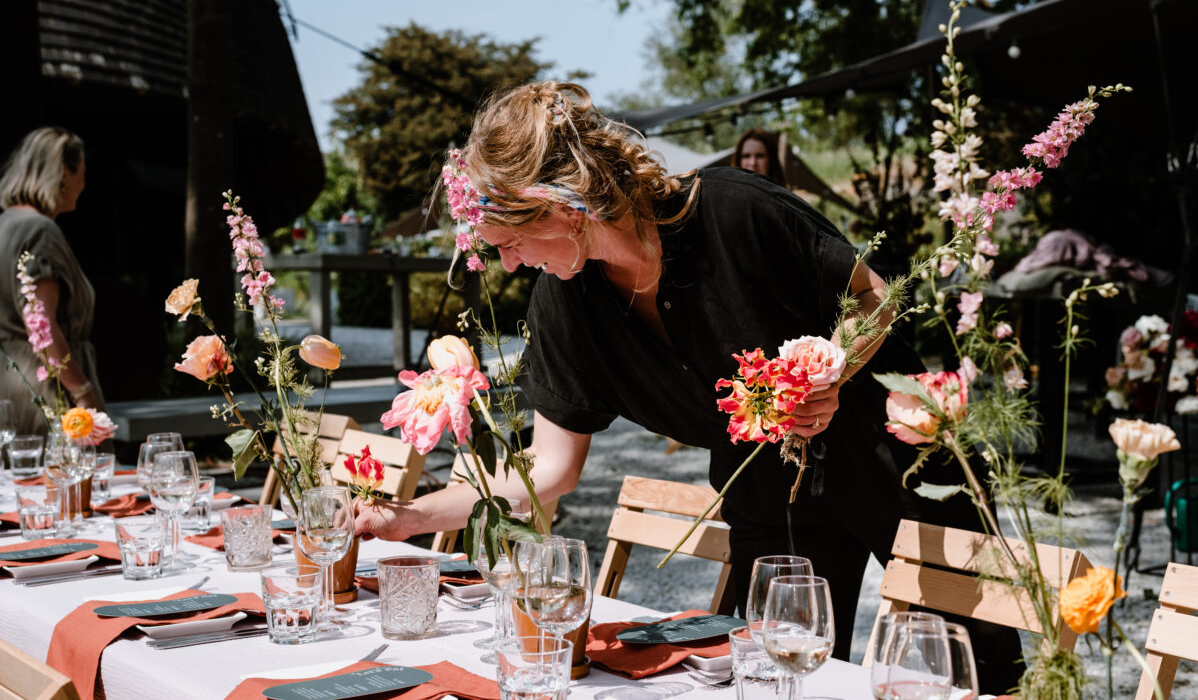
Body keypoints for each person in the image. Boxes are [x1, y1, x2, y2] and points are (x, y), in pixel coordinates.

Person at [356, 81, 1019, 692]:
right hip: (771, 499)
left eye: (506, 240)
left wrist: (834, 375)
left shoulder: (737, 211)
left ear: (559, 205)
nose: (503, 262)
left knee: (973, 675)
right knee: (769, 679)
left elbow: (876, 298)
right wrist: (412, 517)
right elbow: (549, 468)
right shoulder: (563, 306)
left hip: (905, 465)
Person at [0, 127, 104, 438]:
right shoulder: (39, 231)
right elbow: (41, 325)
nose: (84, 185)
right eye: (81, 173)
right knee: (70, 482)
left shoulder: (5, 225)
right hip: (44, 391)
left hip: (8, 387)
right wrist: (84, 394)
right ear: (62, 174)